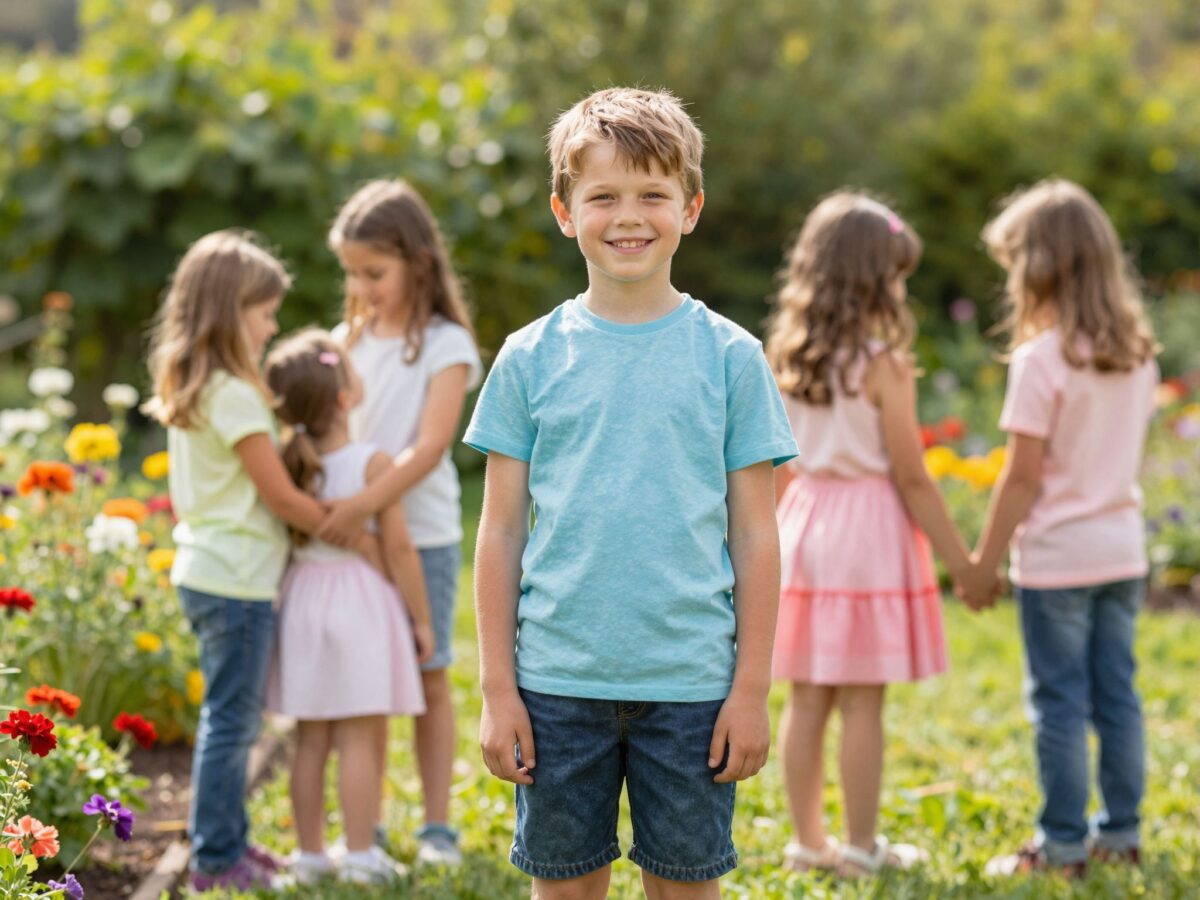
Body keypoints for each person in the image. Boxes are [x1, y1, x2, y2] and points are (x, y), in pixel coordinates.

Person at [466, 87, 797, 900]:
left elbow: (756, 535)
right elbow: (501, 532)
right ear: (563, 210)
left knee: (684, 887)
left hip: (690, 686)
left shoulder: (731, 358)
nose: (629, 216)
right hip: (555, 684)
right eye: (603, 195)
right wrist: (497, 691)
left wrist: (749, 691)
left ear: (691, 208)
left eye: (653, 194)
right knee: (565, 888)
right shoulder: (528, 356)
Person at [145, 231, 376, 892]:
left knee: (231, 716)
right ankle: (217, 860)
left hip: (207, 570)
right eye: (265, 312)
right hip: (237, 580)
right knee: (233, 724)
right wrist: (354, 535)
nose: (273, 327)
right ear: (228, 309)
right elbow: (278, 495)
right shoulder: (236, 395)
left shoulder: (198, 384)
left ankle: (232, 843)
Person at [764, 191, 976, 876]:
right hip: (867, 534)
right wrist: (963, 562)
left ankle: (807, 843)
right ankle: (858, 847)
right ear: (872, 277)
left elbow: (775, 467)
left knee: (806, 694)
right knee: (862, 700)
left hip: (804, 526)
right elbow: (913, 477)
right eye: (897, 274)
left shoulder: (786, 355)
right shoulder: (882, 363)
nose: (902, 287)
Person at [964, 179, 1159, 878]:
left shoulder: (1039, 361)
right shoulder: (1137, 354)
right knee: (1118, 696)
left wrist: (983, 563)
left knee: (1058, 705)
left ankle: (1064, 846)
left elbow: (1020, 478)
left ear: (1041, 267)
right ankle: (1123, 834)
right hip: (1121, 552)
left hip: (1057, 562)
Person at [317, 179, 482, 866]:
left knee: (429, 672)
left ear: (416, 261)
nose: (361, 286)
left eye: (374, 273)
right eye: (352, 272)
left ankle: (437, 825)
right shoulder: (342, 340)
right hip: (362, 543)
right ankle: (369, 822)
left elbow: (433, 443)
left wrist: (362, 500)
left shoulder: (446, 345)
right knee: (368, 683)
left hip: (425, 536)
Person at [263, 329, 433, 884]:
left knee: (310, 737)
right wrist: (422, 618)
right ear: (344, 397)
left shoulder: (285, 461)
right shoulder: (372, 463)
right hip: (360, 599)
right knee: (360, 733)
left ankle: (309, 857)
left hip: (303, 599)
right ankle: (359, 856)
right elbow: (400, 548)